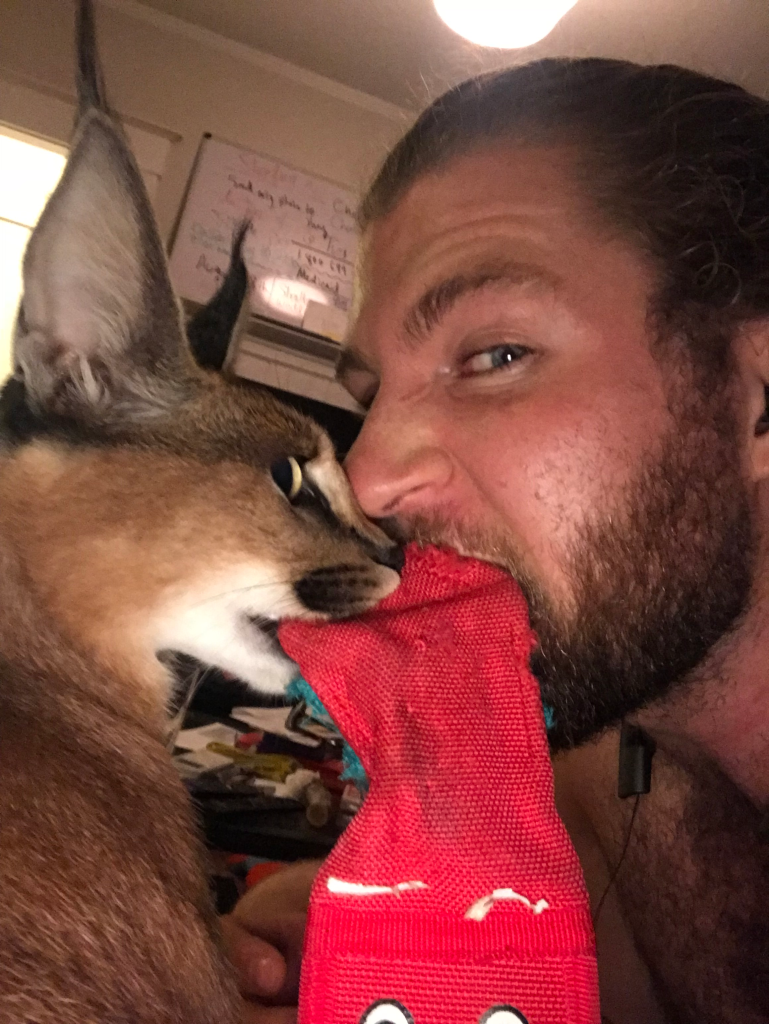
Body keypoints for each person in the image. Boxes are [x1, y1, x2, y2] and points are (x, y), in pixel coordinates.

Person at [222, 58, 769, 1024]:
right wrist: (343, 940)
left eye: (495, 356)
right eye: (369, 397)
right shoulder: (585, 761)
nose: (367, 481)